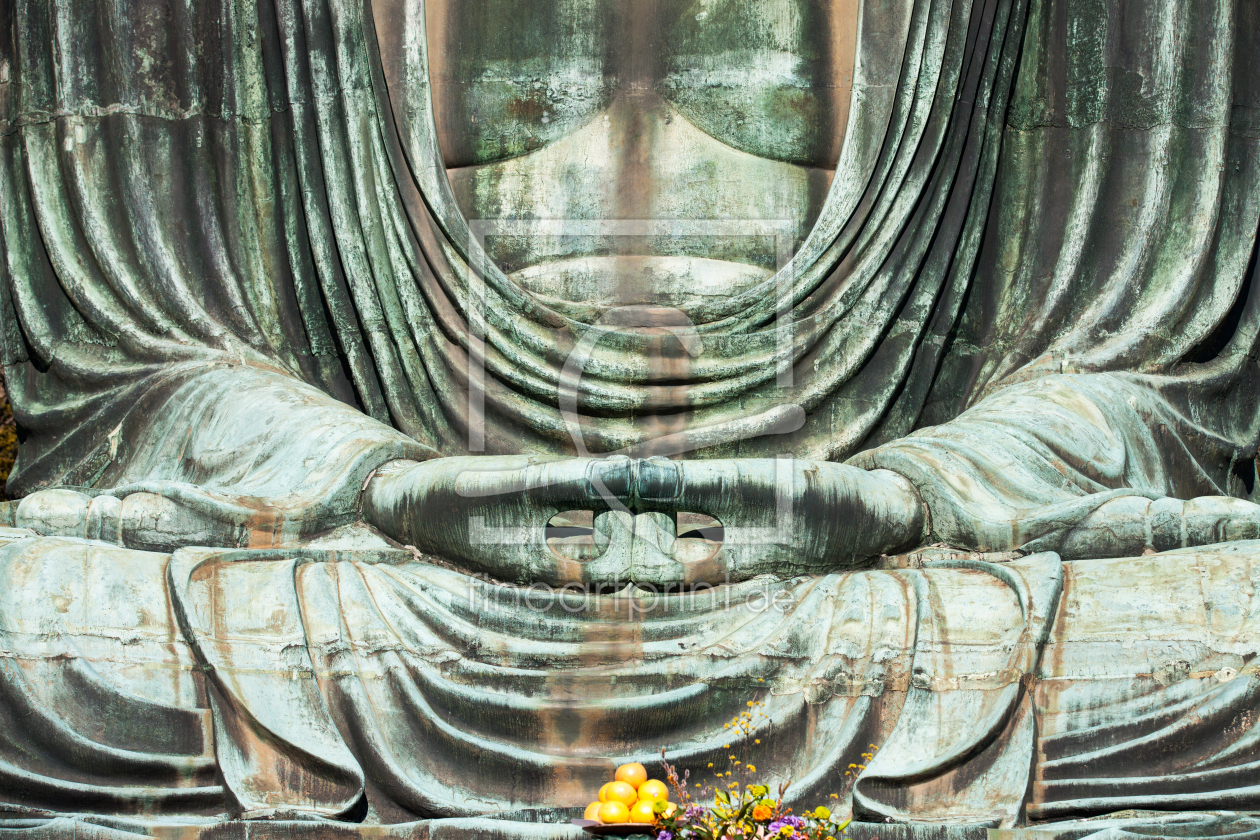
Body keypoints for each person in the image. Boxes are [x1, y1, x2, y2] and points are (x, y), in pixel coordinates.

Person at [0, 0, 1258, 833]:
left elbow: (1147, 377)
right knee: (35, 632)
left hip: (884, 585)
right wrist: (382, 484)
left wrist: (910, 496)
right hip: (384, 576)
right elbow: (140, 368)